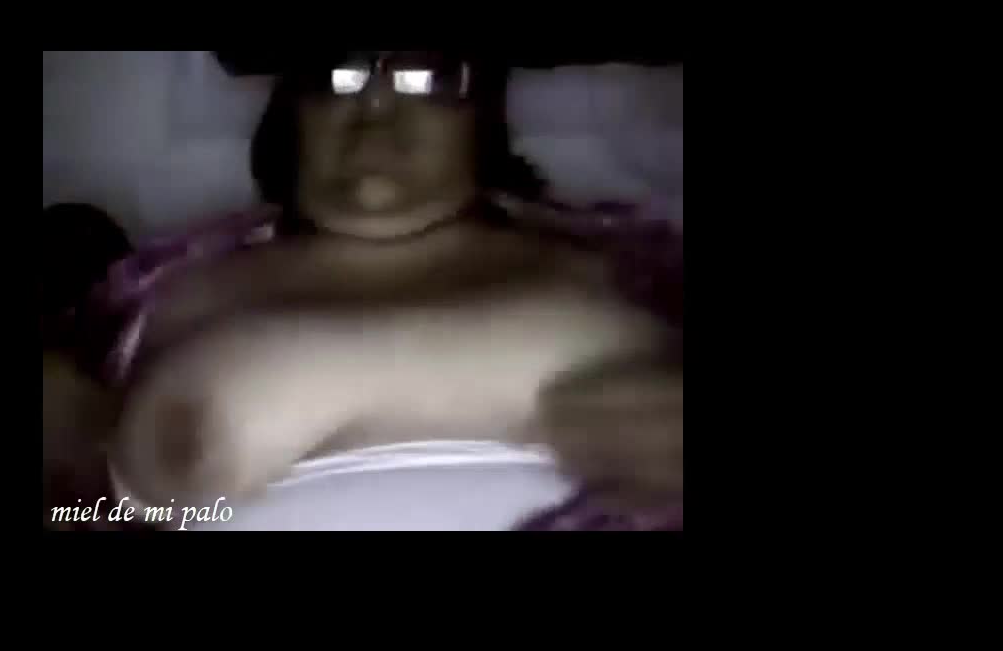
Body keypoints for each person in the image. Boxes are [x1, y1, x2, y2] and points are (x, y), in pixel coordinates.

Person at [56, 51, 683, 531]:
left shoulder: (628, 265)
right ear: (290, 111)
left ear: (482, 114)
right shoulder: (150, 297)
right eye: (337, 75)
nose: (376, 119)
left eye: (428, 78)